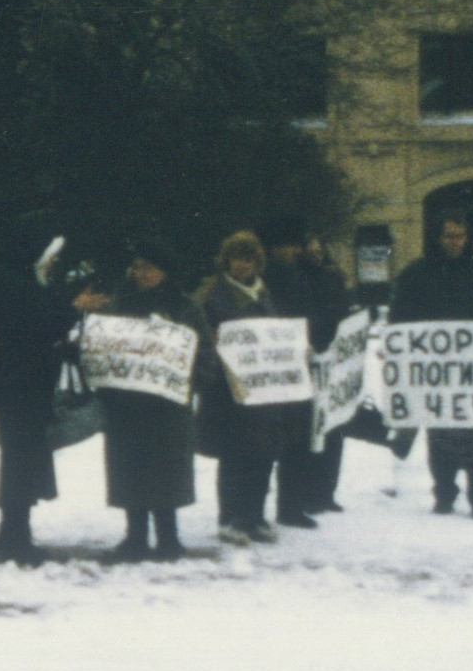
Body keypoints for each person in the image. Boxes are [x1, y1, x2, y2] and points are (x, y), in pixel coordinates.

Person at [0, 219, 102, 564]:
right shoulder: (10, 280)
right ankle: (13, 534)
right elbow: (37, 319)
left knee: (23, 455)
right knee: (20, 455)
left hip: (19, 380)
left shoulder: (8, 275)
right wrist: (73, 308)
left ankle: (17, 530)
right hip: (19, 382)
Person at [391, 214, 473, 516]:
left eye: (459, 235)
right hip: (436, 370)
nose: (454, 242)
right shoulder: (417, 273)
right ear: (438, 238)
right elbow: (400, 315)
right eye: (448, 236)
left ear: (467, 238)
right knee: (441, 434)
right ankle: (444, 492)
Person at [98, 237, 203, 560]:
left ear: (165, 272)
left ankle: (169, 537)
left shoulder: (185, 307)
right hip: (127, 405)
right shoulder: (119, 305)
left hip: (168, 405)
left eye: (149, 268)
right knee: (131, 470)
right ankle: (136, 536)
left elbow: (204, 354)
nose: (141, 274)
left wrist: (190, 383)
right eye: (138, 267)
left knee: (166, 471)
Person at [193, 230, 285, 544]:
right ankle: (230, 518)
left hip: (262, 391)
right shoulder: (213, 295)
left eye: (248, 259)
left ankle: (255, 516)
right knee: (234, 456)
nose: (242, 266)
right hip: (227, 391)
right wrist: (214, 339)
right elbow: (199, 336)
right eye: (236, 259)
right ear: (226, 261)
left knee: (263, 455)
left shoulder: (263, 293)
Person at [281, 228, 355, 513]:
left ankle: (326, 492)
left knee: (333, 429)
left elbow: (344, 315)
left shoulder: (334, 278)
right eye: (309, 249)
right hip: (307, 359)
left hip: (332, 359)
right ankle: (308, 493)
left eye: (318, 249)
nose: (315, 254)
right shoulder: (294, 281)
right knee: (308, 430)